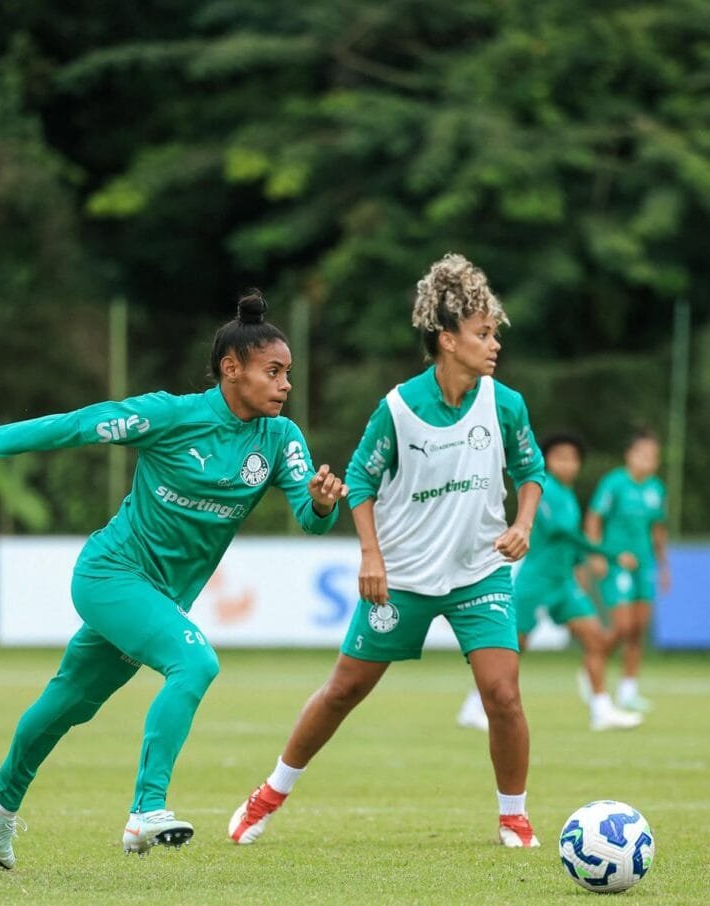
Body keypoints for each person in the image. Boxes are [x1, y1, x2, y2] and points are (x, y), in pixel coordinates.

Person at [0, 290, 348, 869]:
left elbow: (310, 519)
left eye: (288, 374)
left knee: (70, 702)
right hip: (111, 574)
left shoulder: (281, 440)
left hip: (159, 594)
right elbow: (75, 427)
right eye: (272, 371)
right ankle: (146, 810)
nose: (284, 385)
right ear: (232, 369)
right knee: (195, 662)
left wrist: (324, 504)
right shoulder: (170, 416)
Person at [229, 253, 546, 849]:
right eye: (483, 333)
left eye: (495, 332)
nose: (494, 343)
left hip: (480, 572)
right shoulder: (399, 409)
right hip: (402, 576)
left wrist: (523, 521)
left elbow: (531, 470)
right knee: (345, 690)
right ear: (447, 340)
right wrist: (371, 557)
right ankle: (268, 794)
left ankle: (514, 817)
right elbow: (362, 482)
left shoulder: (505, 403)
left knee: (503, 694)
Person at [513, 433, 642, 731]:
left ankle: (601, 710)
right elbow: (562, 532)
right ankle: (475, 706)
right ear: (547, 460)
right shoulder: (542, 488)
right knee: (513, 648)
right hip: (535, 580)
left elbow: (569, 546)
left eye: (573, 458)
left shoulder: (569, 495)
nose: (568, 464)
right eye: (560, 457)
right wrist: (608, 553)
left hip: (563, 583)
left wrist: (580, 569)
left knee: (595, 637)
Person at [584, 429, 669, 713]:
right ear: (629, 455)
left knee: (638, 629)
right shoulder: (615, 483)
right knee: (622, 627)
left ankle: (628, 690)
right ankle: (592, 668)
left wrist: (663, 565)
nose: (648, 460)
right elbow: (594, 518)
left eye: (653, 456)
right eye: (642, 453)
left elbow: (657, 529)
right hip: (616, 561)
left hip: (644, 564)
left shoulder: (656, 489)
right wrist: (596, 554)